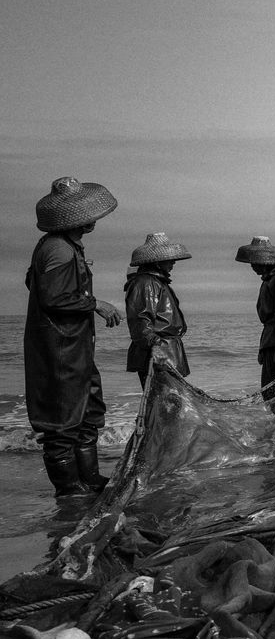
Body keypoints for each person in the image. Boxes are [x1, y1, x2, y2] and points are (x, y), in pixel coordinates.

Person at [24, 177, 122, 496]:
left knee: (89, 414)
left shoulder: (66, 247)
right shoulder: (58, 248)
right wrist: (97, 304)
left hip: (74, 348)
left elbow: (32, 283)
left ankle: (90, 481)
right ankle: (70, 492)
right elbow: (51, 297)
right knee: (62, 424)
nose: (93, 218)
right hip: (59, 351)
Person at [124, 233, 192, 387]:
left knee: (170, 404)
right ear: (157, 262)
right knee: (163, 405)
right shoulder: (146, 283)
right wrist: (156, 345)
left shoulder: (156, 282)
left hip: (166, 351)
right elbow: (141, 320)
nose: (173, 262)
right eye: (169, 259)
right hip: (159, 353)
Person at [235, 236, 275, 387]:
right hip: (271, 341)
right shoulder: (270, 280)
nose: (253, 266)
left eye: (256, 262)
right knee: (270, 388)